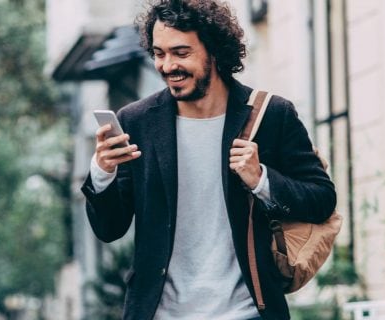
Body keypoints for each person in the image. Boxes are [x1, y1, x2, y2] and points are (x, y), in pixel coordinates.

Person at [81, 0, 337, 319]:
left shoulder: (271, 115)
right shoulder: (137, 122)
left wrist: (262, 180)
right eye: (159, 54)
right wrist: (102, 172)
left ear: (214, 52)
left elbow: (322, 201)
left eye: (181, 53)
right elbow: (109, 228)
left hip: (248, 312)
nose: (168, 65)